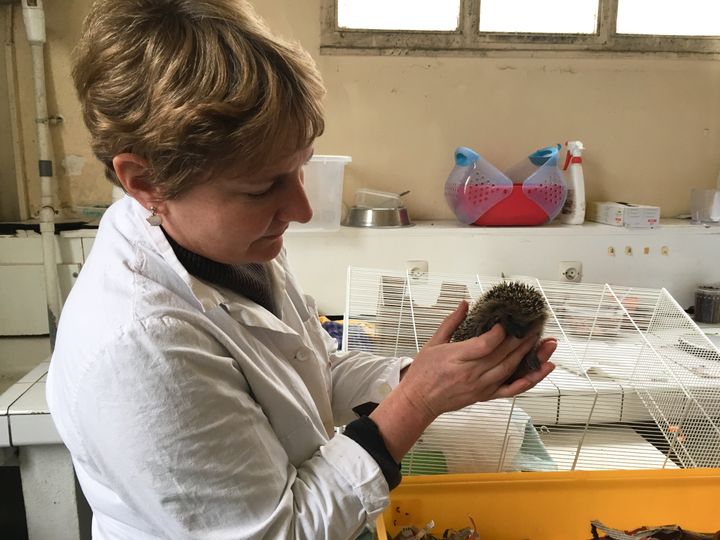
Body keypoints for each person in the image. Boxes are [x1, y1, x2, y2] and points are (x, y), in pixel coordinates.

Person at [46, 0, 557, 538]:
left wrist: (422, 377)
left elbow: (308, 370)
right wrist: (417, 403)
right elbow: (280, 531)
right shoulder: (143, 351)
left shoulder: (225, 245)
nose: (302, 210)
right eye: (261, 187)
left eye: (298, 170)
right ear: (145, 182)